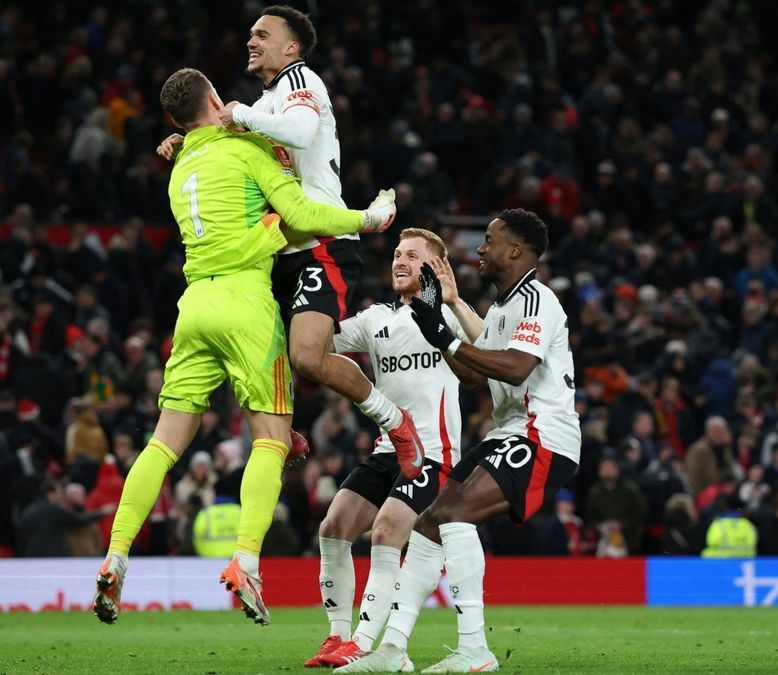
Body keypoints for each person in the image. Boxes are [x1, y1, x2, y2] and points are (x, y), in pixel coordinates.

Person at [93, 66, 400, 627]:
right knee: (272, 440)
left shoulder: (182, 163)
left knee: (162, 445)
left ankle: (116, 554)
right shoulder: (246, 151)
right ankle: (246, 559)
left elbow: (201, 142)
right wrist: (367, 219)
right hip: (246, 304)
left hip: (194, 308)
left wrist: (187, 136)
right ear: (217, 99)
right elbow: (304, 215)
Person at [155, 6, 427, 482]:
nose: (250, 41)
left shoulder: (303, 81)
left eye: (263, 34)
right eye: (249, 34)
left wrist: (237, 115)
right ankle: (289, 426)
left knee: (305, 355)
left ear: (291, 47)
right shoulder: (262, 105)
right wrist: (188, 140)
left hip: (321, 240)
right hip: (278, 251)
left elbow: (300, 131)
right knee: (257, 351)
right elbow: (226, 138)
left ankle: (395, 421)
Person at [336, 208, 580, 673]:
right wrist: (441, 321)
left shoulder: (538, 300)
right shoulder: (505, 307)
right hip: (508, 433)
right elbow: (472, 373)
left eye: (489, 240)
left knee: (452, 513)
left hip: (544, 434)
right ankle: (391, 652)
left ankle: (475, 650)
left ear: (515, 250)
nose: (480, 249)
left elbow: (514, 367)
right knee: (430, 522)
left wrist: (445, 336)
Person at [305, 229, 485, 668]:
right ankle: (338, 638)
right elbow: (318, 344)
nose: (399, 260)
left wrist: (455, 301)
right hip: (390, 448)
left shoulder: (447, 316)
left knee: (386, 531)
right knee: (334, 527)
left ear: (435, 266)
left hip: (435, 453)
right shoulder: (374, 319)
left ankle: (365, 644)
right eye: (397, 254)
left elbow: (490, 349)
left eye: (412, 255)